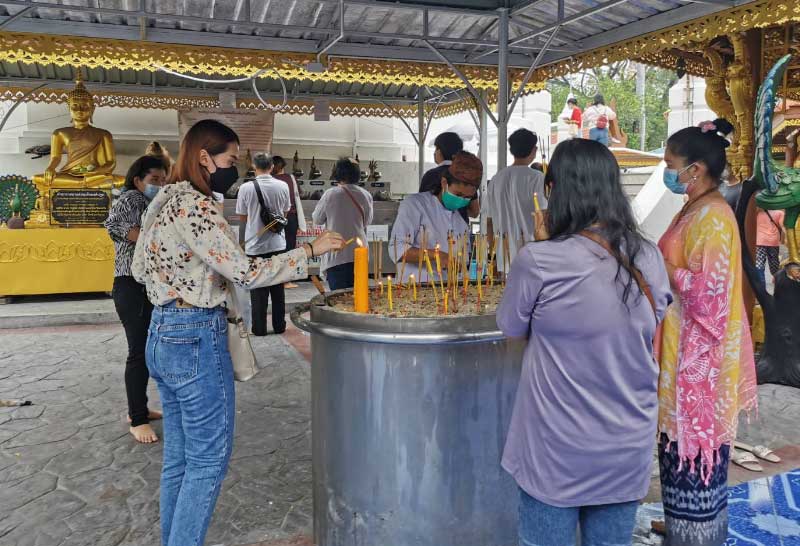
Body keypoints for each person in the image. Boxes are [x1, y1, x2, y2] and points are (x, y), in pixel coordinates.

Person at [132, 119, 343, 546]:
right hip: (195, 335)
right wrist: (309, 250)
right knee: (207, 462)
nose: (234, 169)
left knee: (180, 460)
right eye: (230, 160)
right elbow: (245, 272)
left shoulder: (164, 199)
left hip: (162, 330)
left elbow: (139, 268)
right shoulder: (196, 204)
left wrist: (192, 275)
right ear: (204, 158)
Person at [497, 138, 672, 545]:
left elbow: (510, 326)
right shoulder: (648, 255)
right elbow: (654, 319)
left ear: (553, 190)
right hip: (626, 442)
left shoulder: (539, 260)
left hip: (556, 448)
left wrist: (543, 244)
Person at [656, 118, 757, 546]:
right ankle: (682, 528)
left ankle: (696, 536)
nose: (668, 172)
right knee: (677, 455)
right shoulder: (693, 207)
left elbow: (710, 298)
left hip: (699, 362)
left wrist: (663, 268)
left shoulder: (714, 217)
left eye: (670, 165)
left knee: (696, 456)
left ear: (694, 169)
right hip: (679, 351)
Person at [104, 155, 167, 444]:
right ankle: (137, 419)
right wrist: (155, 242)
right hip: (131, 285)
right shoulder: (131, 197)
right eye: (154, 179)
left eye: (163, 179)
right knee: (139, 352)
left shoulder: (150, 201)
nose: (160, 184)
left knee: (148, 350)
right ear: (138, 179)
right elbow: (115, 226)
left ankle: (140, 408)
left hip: (146, 286)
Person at [390, 151, 481, 283]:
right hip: (415, 287)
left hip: (448, 288)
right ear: (444, 183)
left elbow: (463, 262)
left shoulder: (460, 222)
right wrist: (435, 255)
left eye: (467, 197)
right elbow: (396, 249)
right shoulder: (415, 205)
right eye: (458, 194)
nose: (461, 200)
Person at [236, 153, 291, 335]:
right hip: (278, 244)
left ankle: (259, 328)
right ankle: (279, 326)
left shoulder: (246, 188)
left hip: (255, 246)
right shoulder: (283, 186)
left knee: (258, 290)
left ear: (254, 166)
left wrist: (247, 236)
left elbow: (242, 217)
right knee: (278, 288)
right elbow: (284, 213)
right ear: (272, 166)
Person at [483, 128, 547, 273]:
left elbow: (489, 222)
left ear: (511, 149)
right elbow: (542, 217)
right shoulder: (537, 178)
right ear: (534, 150)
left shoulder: (496, 179)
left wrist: (493, 254)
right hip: (531, 256)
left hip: (503, 257)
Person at [312, 158, 374, 290]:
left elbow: (317, 219)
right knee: (358, 294)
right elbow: (367, 221)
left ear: (338, 173)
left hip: (337, 253)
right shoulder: (366, 195)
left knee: (339, 296)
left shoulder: (330, 194)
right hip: (359, 251)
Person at [271, 155, 307, 289]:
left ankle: (275, 279)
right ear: (283, 166)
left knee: (275, 248)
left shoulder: (270, 180)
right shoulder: (291, 178)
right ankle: (286, 280)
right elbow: (300, 194)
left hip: (273, 219)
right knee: (289, 248)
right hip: (291, 218)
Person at [756, 208, 785, 286]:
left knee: (759, 263)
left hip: (760, 241)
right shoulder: (779, 213)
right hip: (773, 241)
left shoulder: (757, 211)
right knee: (774, 262)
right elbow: (783, 227)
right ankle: (777, 280)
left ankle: (761, 285)